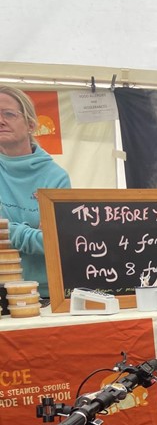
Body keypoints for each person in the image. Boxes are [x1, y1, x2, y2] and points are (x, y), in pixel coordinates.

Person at [0, 86, 71, 298]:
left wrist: (7, 229)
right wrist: (36, 233)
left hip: (46, 294)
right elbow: (43, 239)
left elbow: (58, 241)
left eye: (8, 114)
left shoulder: (56, 177)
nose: (1, 121)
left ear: (31, 125)